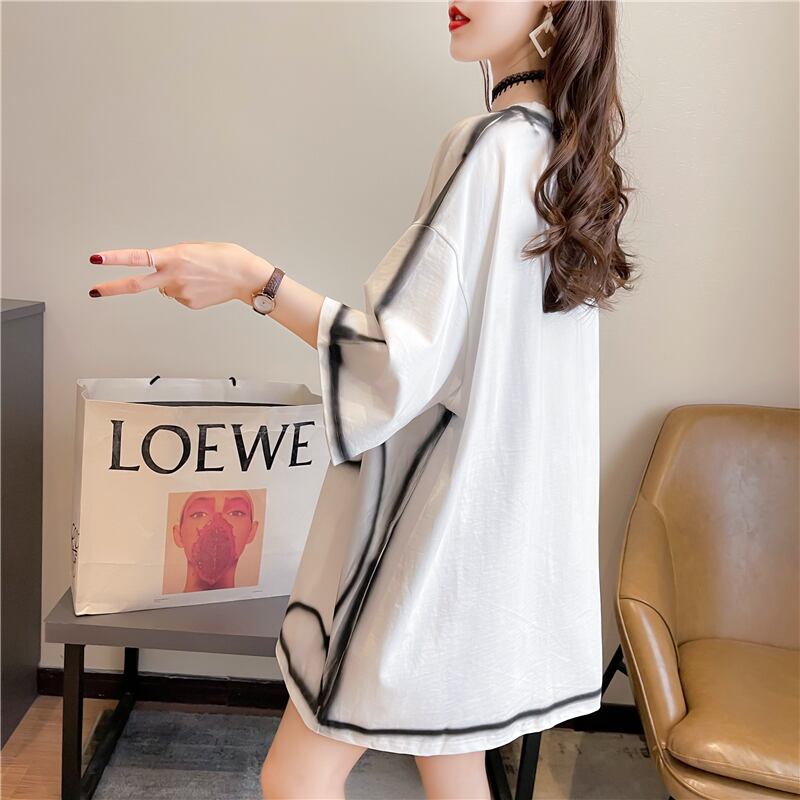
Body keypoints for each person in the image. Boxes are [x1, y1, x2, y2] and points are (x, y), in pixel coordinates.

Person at [86, 0, 637, 796]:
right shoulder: (569, 164)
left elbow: (396, 361)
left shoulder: (488, 147)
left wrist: (251, 280)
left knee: (296, 777)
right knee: (452, 765)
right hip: (499, 550)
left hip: (430, 540)